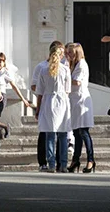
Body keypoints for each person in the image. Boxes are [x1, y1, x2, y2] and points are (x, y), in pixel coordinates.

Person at [35, 42, 71, 173]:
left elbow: (39, 92)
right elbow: (68, 90)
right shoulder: (65, 70)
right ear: (60, 55)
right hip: (62, 102)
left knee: (50, 135)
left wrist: (38, 109)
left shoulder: (43, 70)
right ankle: (63, 164)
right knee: (62, 134)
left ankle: (51, 163)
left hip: (48, 102)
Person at [31, 41, 63, 171]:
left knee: (59, 133)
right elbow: (34, 86)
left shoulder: (63, 67)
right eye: (60, 52)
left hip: (59, 104)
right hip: (45, 103)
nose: (62, 56)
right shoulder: (41, 67)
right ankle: (43, 161)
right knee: (44, 133)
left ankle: (60, 161)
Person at [0, 51, 31, 151]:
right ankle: (5, 126)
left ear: (4, 62)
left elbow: (14, 86)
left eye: (1, 62)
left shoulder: (5, 72)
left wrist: (23, 99)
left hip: (1, 98)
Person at [66, 43, 96, 173]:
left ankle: (91, 160)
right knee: (77, 133)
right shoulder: (74, 65)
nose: (69, 55)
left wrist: (64, 78)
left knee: (83, 131)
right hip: (75, 101)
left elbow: (77, 81)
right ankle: (75, 160)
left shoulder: (81, 65)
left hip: (81, 101)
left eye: (71, 53)